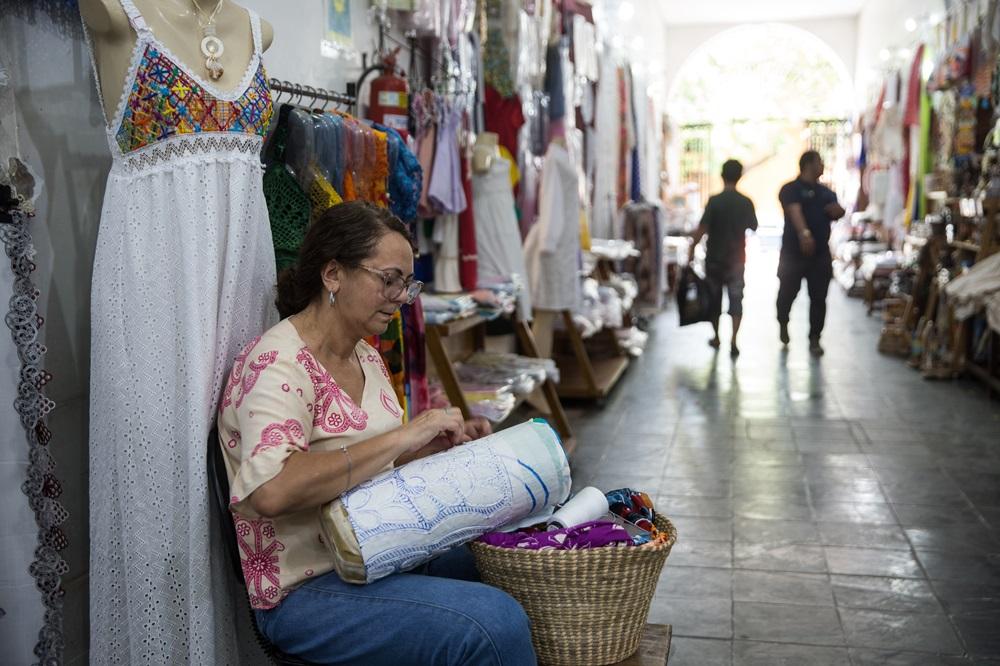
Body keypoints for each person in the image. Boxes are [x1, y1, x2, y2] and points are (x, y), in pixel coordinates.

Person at [218, 201, 536, 665]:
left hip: (376, 550)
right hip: (309, 589)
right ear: (333, 275)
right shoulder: (277, 365)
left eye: (407, 284)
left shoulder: (365, 356)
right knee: (493, 623)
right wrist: (402, 438)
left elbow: (368, 461)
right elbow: (271, 489)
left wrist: (432, 446)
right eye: (389, 279)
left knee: (511, 557)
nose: (401, 296)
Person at [777, 150, 847, 356]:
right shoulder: (790, 189)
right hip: (793, 253)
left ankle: (815, 338)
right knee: (787, 293)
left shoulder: (826, 192)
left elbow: (838, 210)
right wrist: (804, 235)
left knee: (819, 298)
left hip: (820, 255)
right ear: (808, 165)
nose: (823, 166)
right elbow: (794, 211)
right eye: (820, 162)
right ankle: (783, 322)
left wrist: (839, 211)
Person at [688, 159, 759, 357]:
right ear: (740, 176)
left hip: (714, 259)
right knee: (736, 299)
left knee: (714, 299)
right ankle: (734, 340)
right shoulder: (746, 202)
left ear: (722, 175)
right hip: (737, 259)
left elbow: (701, 229)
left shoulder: (714, 201)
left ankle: (717, 337)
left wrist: (691, 251)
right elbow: (753, 226)